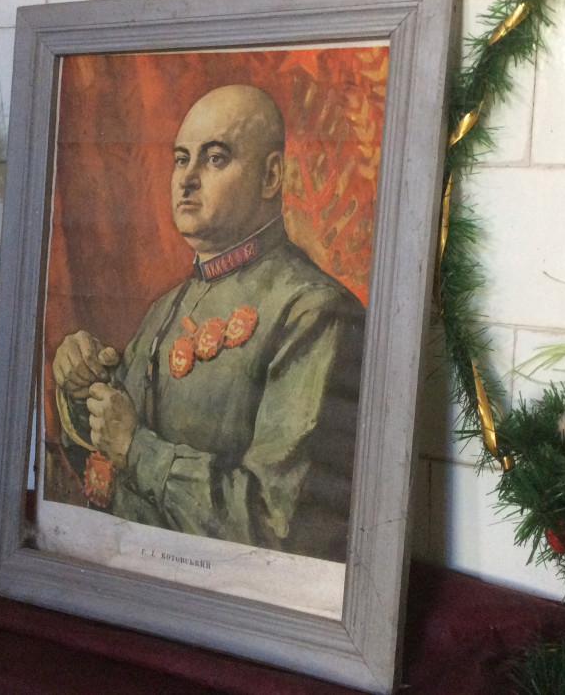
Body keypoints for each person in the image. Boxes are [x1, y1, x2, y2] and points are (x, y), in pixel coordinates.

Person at [51, 84, 365, 563]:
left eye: (215, 158)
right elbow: (105, 468)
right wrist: (82, 387)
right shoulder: (165, 308)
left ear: (271, 176)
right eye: (181, 158)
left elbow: (280, 527)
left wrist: (136, 449)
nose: (187, 179)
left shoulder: (314, 312)